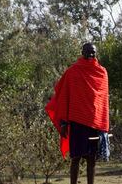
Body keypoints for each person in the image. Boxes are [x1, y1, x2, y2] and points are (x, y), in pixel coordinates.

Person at [45, 43, 109, 184]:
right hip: (77, 122)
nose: (91, 54)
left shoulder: (102, 72)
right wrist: (63, 123)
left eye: (93, 52)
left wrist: (103, 125)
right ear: (82, 52)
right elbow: (64, 96)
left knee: (91, 159)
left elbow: (102, 100)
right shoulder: (73, 71)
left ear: (96, 53)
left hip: (94, 123)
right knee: (76, 158)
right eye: (88, 51)